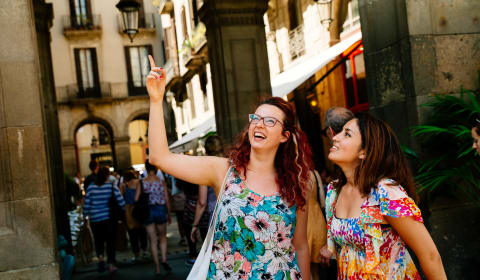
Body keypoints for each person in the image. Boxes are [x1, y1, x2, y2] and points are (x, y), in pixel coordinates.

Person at [146, 55, 313, 279]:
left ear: (284, 136)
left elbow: (300, 245)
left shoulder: (298, 184)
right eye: (256, 118)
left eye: (270, 121)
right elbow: (159, 157)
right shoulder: (224, 171)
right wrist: (156, 101)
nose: (259, 124)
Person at [318, 112, 447, 279]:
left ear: (364, 152)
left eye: (347, 134)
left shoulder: (385, 193)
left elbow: (430, 255)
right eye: (340, 131)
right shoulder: (334, 190)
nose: (335, 137)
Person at [83, 166, 125, 273]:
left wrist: (85, 216)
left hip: (95, 219)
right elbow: (121, 202)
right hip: (109, 219)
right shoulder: (111, 187)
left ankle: (101, 259)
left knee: (98, 240)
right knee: (110, 241)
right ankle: (111, 265)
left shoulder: (91, 187)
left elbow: (87, 204)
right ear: (107, 175)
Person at [135, 160, 172, 275]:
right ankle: (164, 259)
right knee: (162, 236)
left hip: (148, 211)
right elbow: (166, 199)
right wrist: (169, 213)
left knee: (152, 239)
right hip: (160, 209)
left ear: (146, 168)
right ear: (156, 169)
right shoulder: (161, 182)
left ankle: (157, 267)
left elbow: (136, 199)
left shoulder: (142, 182)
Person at [190, 135, 224, 245]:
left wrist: (195, 225)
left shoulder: (206, 171)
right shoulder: (233, 164)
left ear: (206, 150)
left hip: (216, 217)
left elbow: (202, 202)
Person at [179, 178, 210, 266]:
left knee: (190, 233)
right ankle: (207, 257)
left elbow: (201, 202)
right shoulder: (202, 176)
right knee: (205, 233)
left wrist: (195, 225)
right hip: (204, 207)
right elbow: (202, 201)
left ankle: (193, 256)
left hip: (190, 205)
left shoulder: (186, 175)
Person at [119, 169, 148, 262]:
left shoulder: (124, 185)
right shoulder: (140, 182)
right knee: (142, 231)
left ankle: (137, 254)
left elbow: (120, 198)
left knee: (132, 234)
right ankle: (144, 251)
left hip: (129, 211)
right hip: (140, 208)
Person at [306, 169, 327, 280]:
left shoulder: (290, 173)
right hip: (317, 219)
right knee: (317, 268)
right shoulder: (314, 173)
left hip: (302, 221)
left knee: (305, 266)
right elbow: (323, 200)